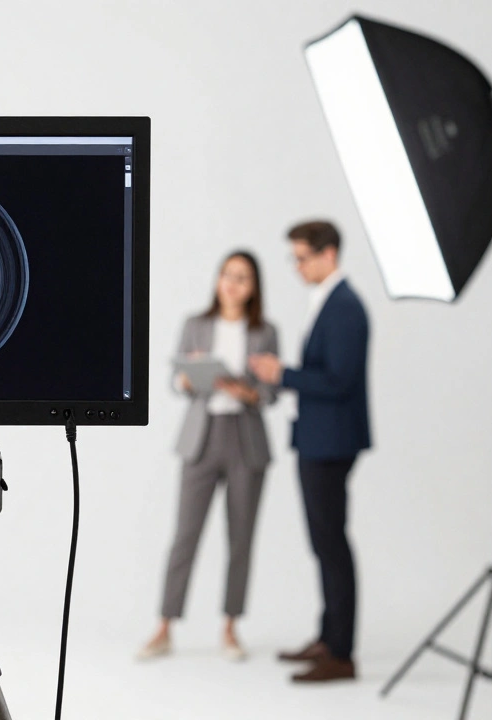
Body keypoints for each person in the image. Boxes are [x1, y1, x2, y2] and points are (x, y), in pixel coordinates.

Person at [139, 251, 279, 662]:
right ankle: (165, 626)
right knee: (185, 535)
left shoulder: (265, 332)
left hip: (245, 441)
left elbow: (270, 392)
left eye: (242, 277)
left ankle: (230, 628)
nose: (232, 283)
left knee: (241, 538)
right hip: (201, 439)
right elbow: (177, 381)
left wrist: (244, 391)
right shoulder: (196, 325)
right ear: (218, 280)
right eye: (227, 275)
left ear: (253, 287)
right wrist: (189, 377)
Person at [249, 220, 370, 683]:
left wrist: (282, 374)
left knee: (331, 544)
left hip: (331, 441)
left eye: (301, 258)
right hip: (319, 437)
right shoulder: (330, 301)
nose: (297, 267)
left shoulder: (345, 307)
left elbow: (339, 381)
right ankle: (328, 638)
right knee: (324, 543)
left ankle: (341, 653)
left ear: (328, 254)